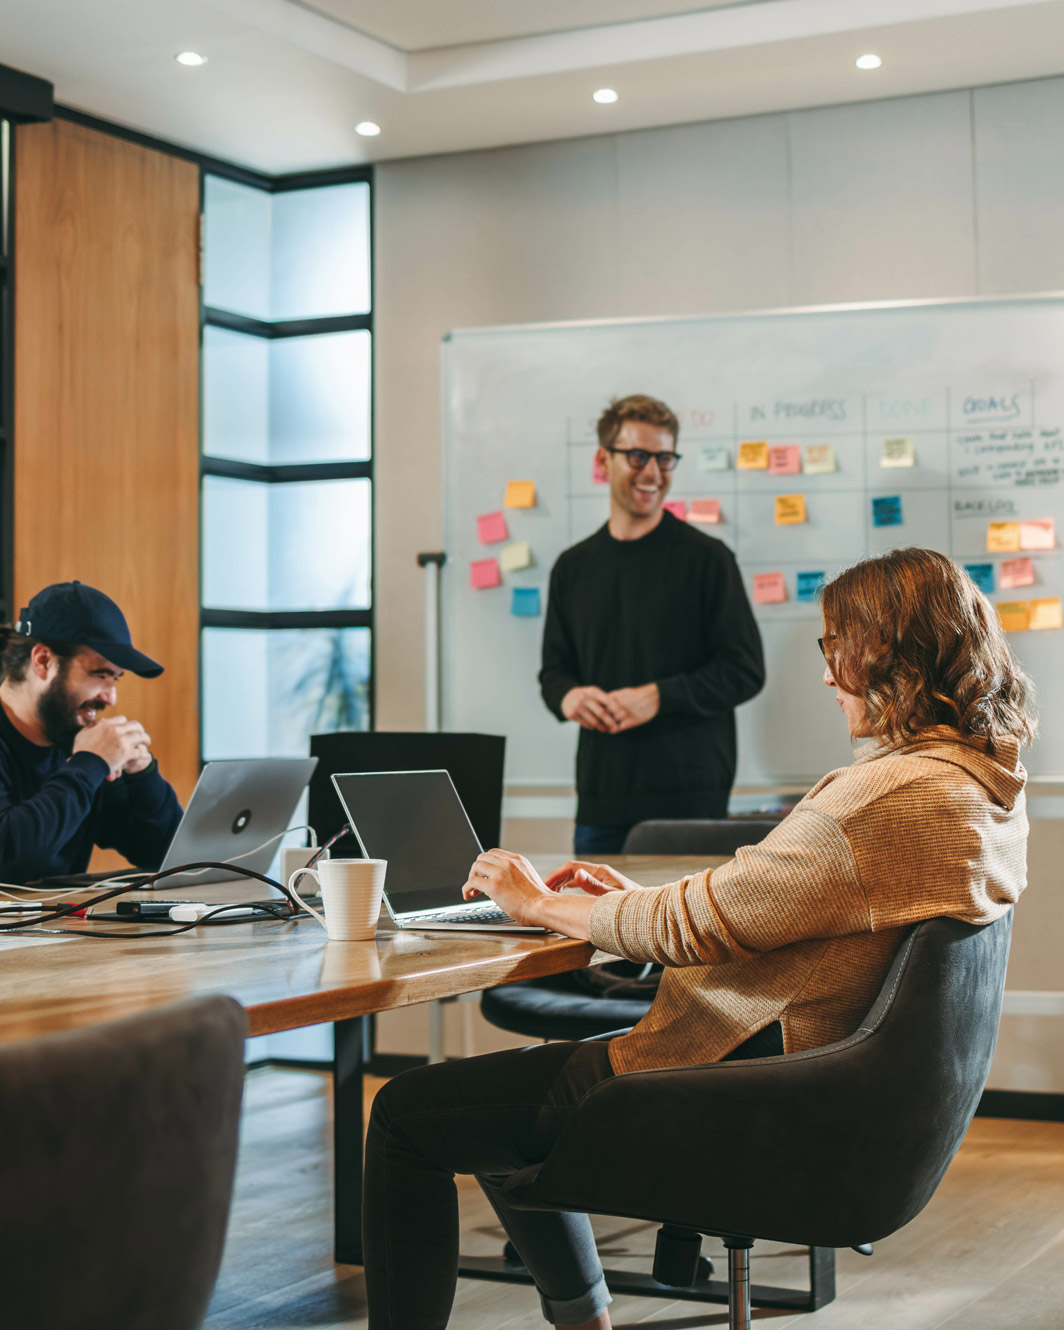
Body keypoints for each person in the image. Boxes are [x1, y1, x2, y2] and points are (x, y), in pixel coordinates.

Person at [362, 547, 1033, 1330]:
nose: (826, 676)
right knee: (504, 1092)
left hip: (740, 1088)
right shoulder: (979, 783)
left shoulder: (886, 799)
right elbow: (754, 903)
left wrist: (536, 904)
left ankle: (578, 1315)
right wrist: (632, 902)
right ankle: (586, 1319)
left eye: (834, 647)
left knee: (408, 1113)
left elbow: (698, 924)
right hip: (821, 1088)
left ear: (889, 652)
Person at [539, 394, 765, 856]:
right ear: (603, 460)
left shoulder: (708, 559)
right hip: (601, 800)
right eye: (638, 456)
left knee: (687, 931)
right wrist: (569, 697)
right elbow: (553, 672)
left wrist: (659, 697)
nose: (653, 473)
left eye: (665, 458)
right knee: (592, 927)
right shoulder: (572, 567)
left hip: (691, 803)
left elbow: (745, 670)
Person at [0, 580, 182, 884]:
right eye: (99, 675)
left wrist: (143, 776)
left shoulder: (76, 738)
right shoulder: (87, 756)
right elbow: (10, 860)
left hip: (64, 930)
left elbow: (165, 857)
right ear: (43, 661)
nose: (110, 698)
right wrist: (89, 764)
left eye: (116, 679)